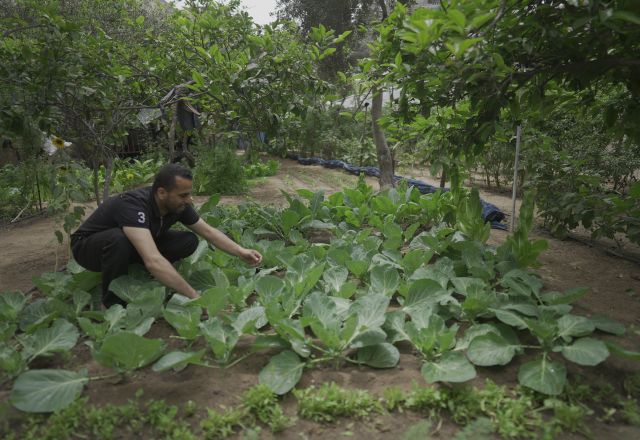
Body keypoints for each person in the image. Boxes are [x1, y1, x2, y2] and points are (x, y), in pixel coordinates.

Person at [71, 163, 262, 308]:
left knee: (188, 241)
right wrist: (193, 296)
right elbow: (153, 260)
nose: (190, 199)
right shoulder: (132, 205)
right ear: (162, 192)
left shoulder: (177, 204)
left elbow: (209, 232)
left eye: (189, 194)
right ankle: (112, 303)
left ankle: (140, 272)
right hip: (88, 248)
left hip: (130, 245)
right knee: (118, 240)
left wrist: (240, 251)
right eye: (183, 195)